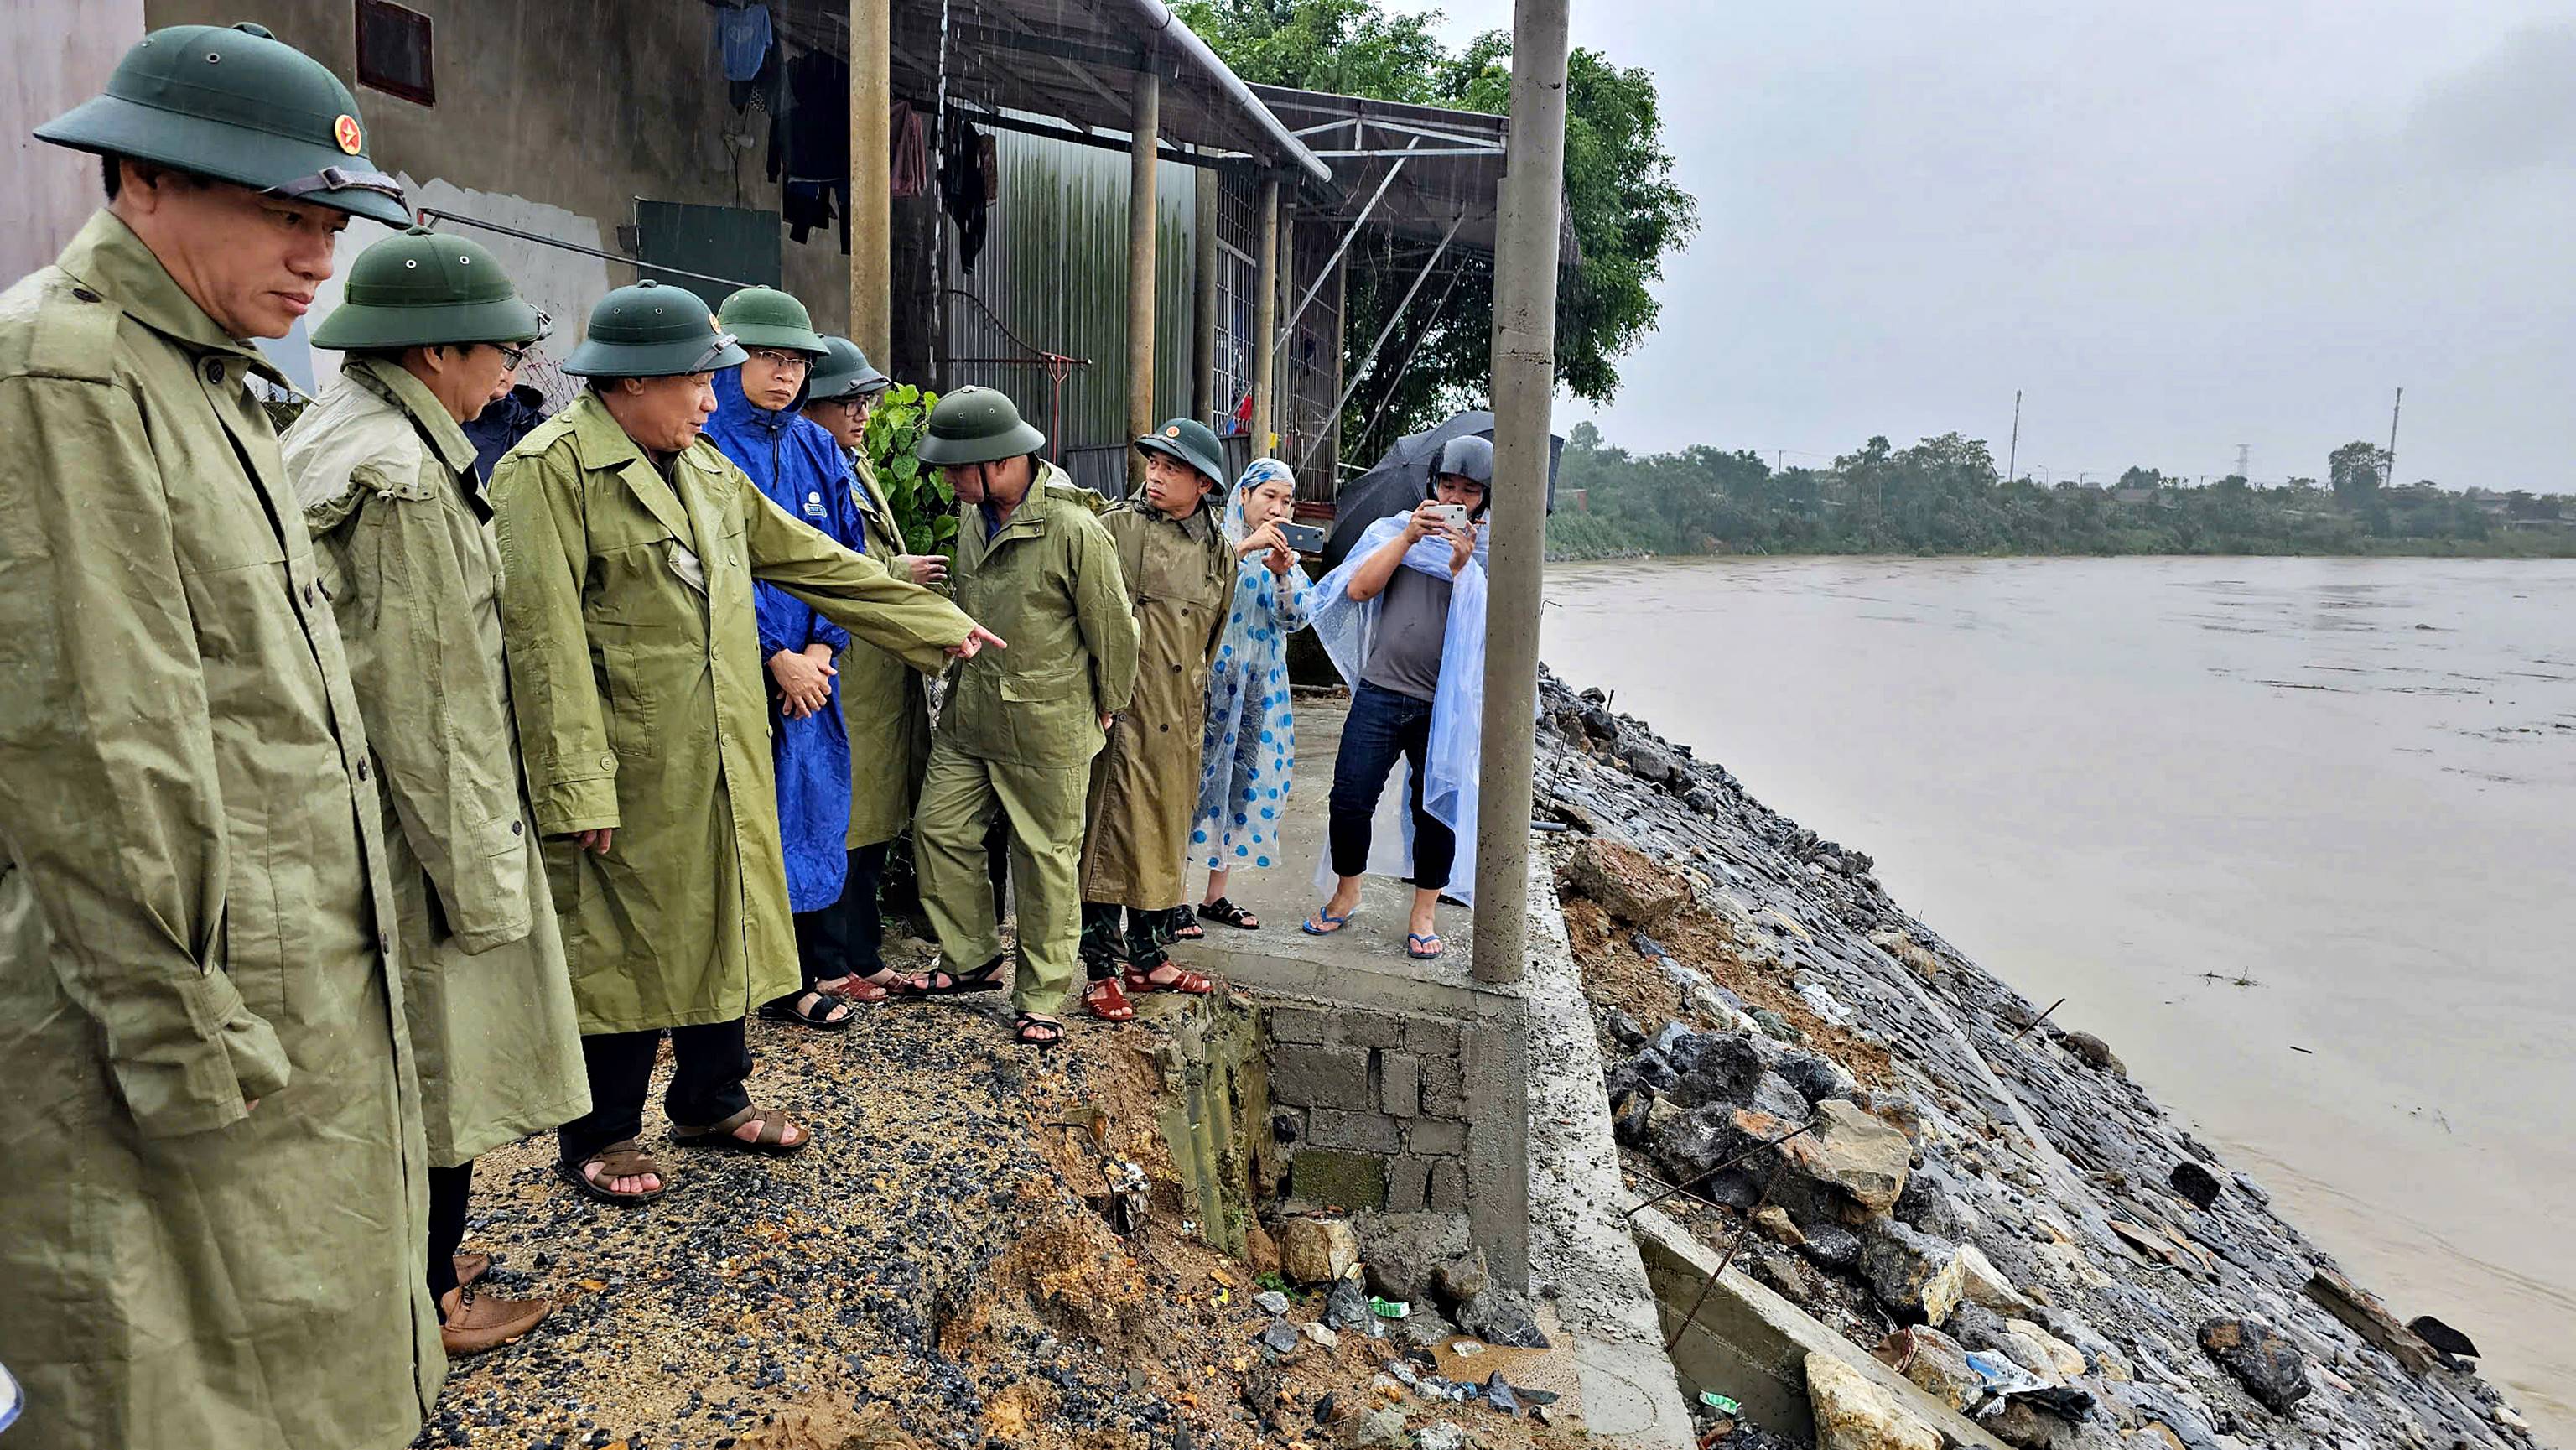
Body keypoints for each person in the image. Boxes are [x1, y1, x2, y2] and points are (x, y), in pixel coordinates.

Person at [0, 23, 442, 1449]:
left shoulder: (210, 378)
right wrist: (184, 1040)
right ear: (140, 180)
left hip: (274, 1000)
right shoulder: (67, 376)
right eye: (282, 211)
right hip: (179, 1025)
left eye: (332, 223)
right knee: (179, 1378)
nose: (320, 258)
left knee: (305, 1359)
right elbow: (93, 748)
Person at [491, 281, 1000, 1207]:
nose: (710, 401)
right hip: (630, 761)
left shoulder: (705, 469)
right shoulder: (550, 472)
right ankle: (601, 1134)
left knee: (725, 916)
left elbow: (809, 556)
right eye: (695, 381)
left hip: (726, 744)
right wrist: (574, 786)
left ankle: (710, 1096)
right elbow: (543, 641)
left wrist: (930, 620)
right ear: (632, 382)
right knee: (624, 940)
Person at [283, 227, 590, 1356]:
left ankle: (411, 1255)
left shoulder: (339, 427)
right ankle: (431, 1299)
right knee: (440, 1053)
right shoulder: (407, 479)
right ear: (432, 356)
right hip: (407, 832)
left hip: (348, 808)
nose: (505, 376)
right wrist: (486, 883)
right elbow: (433, 709)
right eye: (494, 354)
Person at [911, 387, 1139, 1047]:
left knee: (1043, 860)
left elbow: (1116, 633)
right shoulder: (975, 517)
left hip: (1048, 726)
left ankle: (1040, 994)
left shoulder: (1072, 529)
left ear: (1003, 461)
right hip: (972, 717)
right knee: (939, 829)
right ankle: (971, 954)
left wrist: (1108, 704)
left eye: (960, 467)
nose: (950, 479)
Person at [702, 287, 870, 1027]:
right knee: (736, 822)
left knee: (807, 814)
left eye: (797, 361)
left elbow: (844, 563)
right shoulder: (705, 442)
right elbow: (711, 573)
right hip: (733, 674)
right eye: (768, 357)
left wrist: (819, 651)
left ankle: (793, 977)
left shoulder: (816, 446)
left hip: (812, 677)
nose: (785, 374)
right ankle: (726, 990)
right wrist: (773, 656)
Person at [1302, 434, 1496, 960]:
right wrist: (1409, 537)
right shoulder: (1393, 531)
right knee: (1349, 797)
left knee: (1435, 808)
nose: (1457, 497)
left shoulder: (1490, 556)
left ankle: (1424, 912)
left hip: (1443, 706)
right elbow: (1360, 589)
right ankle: (1347, 892)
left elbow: (1493, 635)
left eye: (1471, 490)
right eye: (1449, 484)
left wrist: (1463, 571)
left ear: (1485, 497)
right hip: (1381, 692)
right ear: (1432, 482)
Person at [802, 336, 950, 988]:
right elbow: (815, 563)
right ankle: (828, 964)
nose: (862, 413)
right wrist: (896, 570)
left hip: (877, 674)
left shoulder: (850, 462)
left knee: (871, 826)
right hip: (841, 668)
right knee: (841, 820)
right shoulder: (807, 467)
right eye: (848, 402)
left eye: (865, 401)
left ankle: (863, 953)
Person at [1076, 419, 1236, 1017]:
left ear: (1202, 483)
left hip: (1179, 717)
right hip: (1122, 713)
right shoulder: (1115, 529)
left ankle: (1148, 956)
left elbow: (1208, 642)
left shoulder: (1220, 552)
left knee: (1164, 838)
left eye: (1172, 467)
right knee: (1106, 841)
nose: (1157, 473)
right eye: (1154, 461)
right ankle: (1099, 969)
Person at [1187, 458, 1317, 933]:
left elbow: (1298, 618)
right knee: (1193, 786)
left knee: (1241, 785)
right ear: (1244, 495)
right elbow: (1195, 588)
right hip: (1208, 681)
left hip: (1260, 687)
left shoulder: (1284, 557)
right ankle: (1172, 898)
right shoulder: (1216, 543)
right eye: (1270, 497)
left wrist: (1283, 573)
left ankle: (1215, 896)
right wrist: (1245, 549)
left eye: (1286, 501)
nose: (1278, 510)